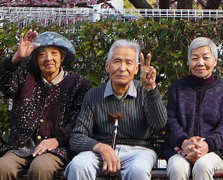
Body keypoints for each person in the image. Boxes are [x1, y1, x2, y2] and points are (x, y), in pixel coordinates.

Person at [64, 39, 167, 180]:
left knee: (138, 170)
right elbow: (77, 137)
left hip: (139, 151)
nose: (122, 68)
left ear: (136, 68)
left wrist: (151, 90)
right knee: (78, 165)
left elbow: (159, 125)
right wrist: (101, 147)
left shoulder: (145, 92)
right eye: (117, 61)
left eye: (128, 63)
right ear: (107, 66)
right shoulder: (93, 95)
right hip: (100, 151)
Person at [0, 31, 90, 180]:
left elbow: (81, 119)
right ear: (36, 61)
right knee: (2, 167)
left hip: (57, 149)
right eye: (41, 55)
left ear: (62, 58)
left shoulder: (77, 83)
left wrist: (58, 139)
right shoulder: (25, 78)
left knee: (40, 168)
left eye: (54, 53)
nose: (48, 59)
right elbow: (4, 82)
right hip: (22, 147)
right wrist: (16, 58)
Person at [165, 37, 223, 180]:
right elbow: (171, 121)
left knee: (202, 166)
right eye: (195, 58)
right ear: (188, 62)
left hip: (214, 151)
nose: (200, 63)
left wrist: (207, 145)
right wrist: (184, 143)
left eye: (206, 57)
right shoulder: (177, 88)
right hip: (181, 149)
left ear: (215, 61)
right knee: (177, 167)